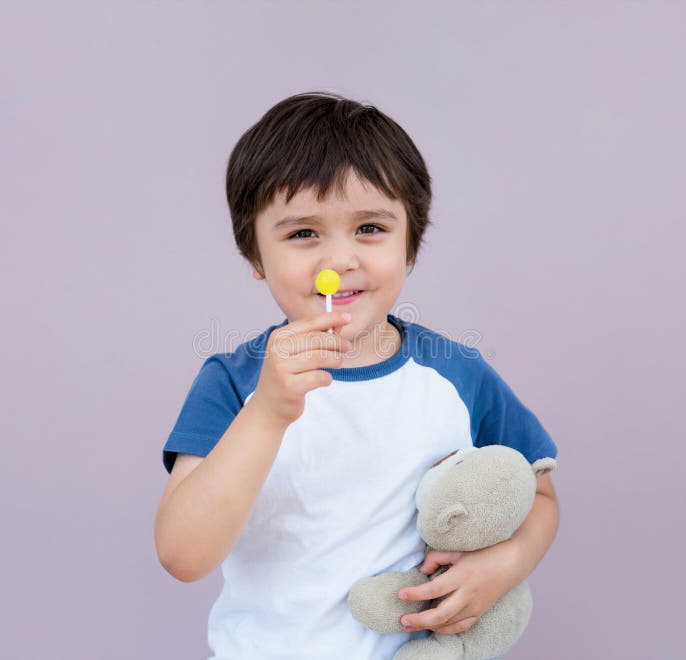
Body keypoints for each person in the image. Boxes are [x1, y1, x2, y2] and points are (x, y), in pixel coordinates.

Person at [154, 91, 560, 660]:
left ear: (410, 245)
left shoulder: (456, 374)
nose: (339, 260)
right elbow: (183, 554)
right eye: (302, 234)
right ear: (254, 256)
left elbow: (539, 493)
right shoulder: (233, 383)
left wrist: (506, 563)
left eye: (370, 228)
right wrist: (267, 413)